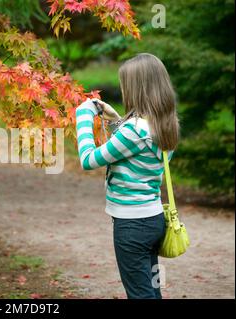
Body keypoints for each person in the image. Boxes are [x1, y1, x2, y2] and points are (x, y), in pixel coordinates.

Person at [75, 53, 180, 299]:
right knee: (150, 290)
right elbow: (134, 154)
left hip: (132, 225)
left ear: (136, 89)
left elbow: (88, 160)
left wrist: (82, 116)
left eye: (125, 85)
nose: (123, 90)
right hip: (153, 219)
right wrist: (115, 119)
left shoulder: (134, 130)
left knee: (139, 294)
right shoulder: (167, 124)